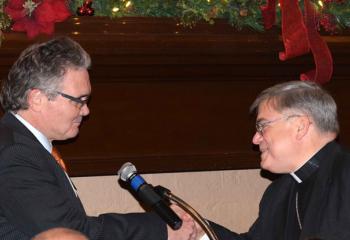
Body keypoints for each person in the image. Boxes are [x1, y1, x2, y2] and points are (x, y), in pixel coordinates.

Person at [0, 37, 197, 240]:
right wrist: (160, 229)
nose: (86, 111)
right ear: (37, 99)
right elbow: (68, 233)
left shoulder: (22, 144)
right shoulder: (15, 153)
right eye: (79, 100)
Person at [198, 81, 350, 240]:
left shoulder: (346, 176)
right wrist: (200, 232)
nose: (255, 139)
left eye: (262, 126)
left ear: (300, 126)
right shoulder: (278, 193)